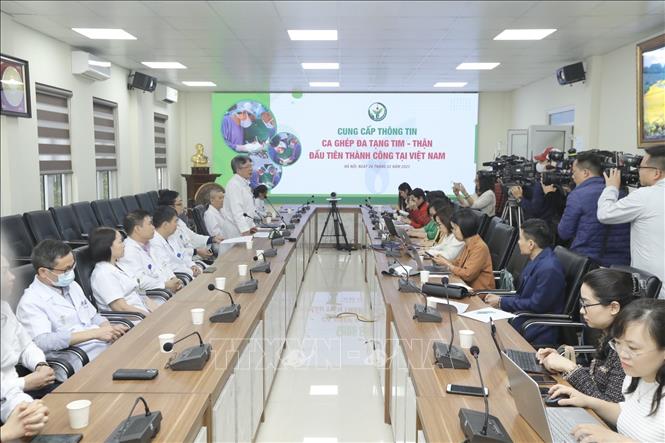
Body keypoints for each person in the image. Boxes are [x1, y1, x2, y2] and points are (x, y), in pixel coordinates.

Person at [548, 299, 665, 443]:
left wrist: (616, 439)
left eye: (633, 348)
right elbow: (628, 416)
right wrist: (587, 400)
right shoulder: (637, 375)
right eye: (618, 343)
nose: (622, 354)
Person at [536, 268, 638, 402]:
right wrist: (560, 360)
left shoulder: (626, 347)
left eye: (586, 304)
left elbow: (608, 406)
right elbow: (597, 381)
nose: (581, 310)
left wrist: (569, 367)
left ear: (613, 307)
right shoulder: (609, 334)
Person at [16, 240, 127, 361]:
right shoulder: (31, 302)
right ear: (43, 272)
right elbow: (43, 341)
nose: (71, 272)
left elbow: (93, 316)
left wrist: (109, 329)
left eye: (73, 266)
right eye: (66, 269)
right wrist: (95, 333)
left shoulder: (72, 285)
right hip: (76, 357)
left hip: (100, 345)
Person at [597, 145, 665, 298]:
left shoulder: (645, 196)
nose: (637, 171)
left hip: (654, 287)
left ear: (656, 173)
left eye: (640, 167)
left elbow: (605, 214)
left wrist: (611, 188)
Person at [484, 219, 566, 344]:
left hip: (535, 326)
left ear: (531, 244)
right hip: (522, 317)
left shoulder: (550, 269)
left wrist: (501, 301)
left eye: (520, 239)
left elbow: (536, 305)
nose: (518, 242)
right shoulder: (538, 259)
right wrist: (500, 299)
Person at [557, 151, 631, 266]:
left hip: (587, 262)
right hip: (619, 263)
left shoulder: (577, 195)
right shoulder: (621, 192)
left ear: (585, 172)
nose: (572, 176)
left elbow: (564, 232)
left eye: (574, 172)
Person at [1, 255, 58, 399]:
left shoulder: (4, 307)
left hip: (15, 393)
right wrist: (24, 383)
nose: (12, 277)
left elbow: (26, 346)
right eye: (4, 272)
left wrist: (40, 364)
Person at [89, 227, 152, 315]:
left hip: (143, 313)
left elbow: (140, 293)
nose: (124, 245)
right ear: (107, 246)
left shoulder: (119, 265)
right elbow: (121, 308)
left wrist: (157, 312)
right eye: (120, 242)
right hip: (132, 320)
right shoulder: (103, 274)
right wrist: (150, 317)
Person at [117, 210, 182, 293]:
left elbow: (164, 264)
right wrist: (165, 284)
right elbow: (139, 280)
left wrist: (173, 279)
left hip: (167, 290)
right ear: (137, 229)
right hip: (154, 296)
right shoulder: (128, 251)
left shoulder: (149, 244)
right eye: (149, 224)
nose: (153, 227)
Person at [432, 208, 495, 290]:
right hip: (464, 286)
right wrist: (443, 262)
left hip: (478, 293)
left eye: (454, 228)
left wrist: (448, 264)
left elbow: (467, 275)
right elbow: (458, 263)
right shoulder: (468, 242)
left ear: (464, 228)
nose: (453, 231)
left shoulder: (479, 247)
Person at [157, 190, 221, 262]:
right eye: (179, 204)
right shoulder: (168, 229)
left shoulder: (179, 222)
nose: (183, 206)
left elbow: (192, 236)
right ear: (170, 207)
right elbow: (178, 252)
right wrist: (196, 251)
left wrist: (212, 239)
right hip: (188, 262)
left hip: (192, 260)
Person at [510, 147, 567, 229]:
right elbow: (540, 198)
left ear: (550, 162)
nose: (538, 163)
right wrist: (525, 188)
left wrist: (519, 198)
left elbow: (535, 209)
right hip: (553, 227)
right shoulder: (560, 179)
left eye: (541, 161)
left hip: (542, 228)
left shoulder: (545, 182)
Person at [151, 206, 201, 278]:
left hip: (186, 271)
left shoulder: (172, 236)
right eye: (175, 221)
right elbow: (168, 266)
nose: (177, 225)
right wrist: (190, 271)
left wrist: (192, 265)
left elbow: (183, 254)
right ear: (165, 225)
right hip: (175, 276)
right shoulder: (154, 242)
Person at [222, 155, 258, 237]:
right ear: (238, 169)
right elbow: (237, 211)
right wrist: (245, 230)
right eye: (247, 166)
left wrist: (252, 226)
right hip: (236, 231)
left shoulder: (244, 183)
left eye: (251, 165)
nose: (251, 169)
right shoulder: (234, 185)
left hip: (244, 229)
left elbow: (248, 209)